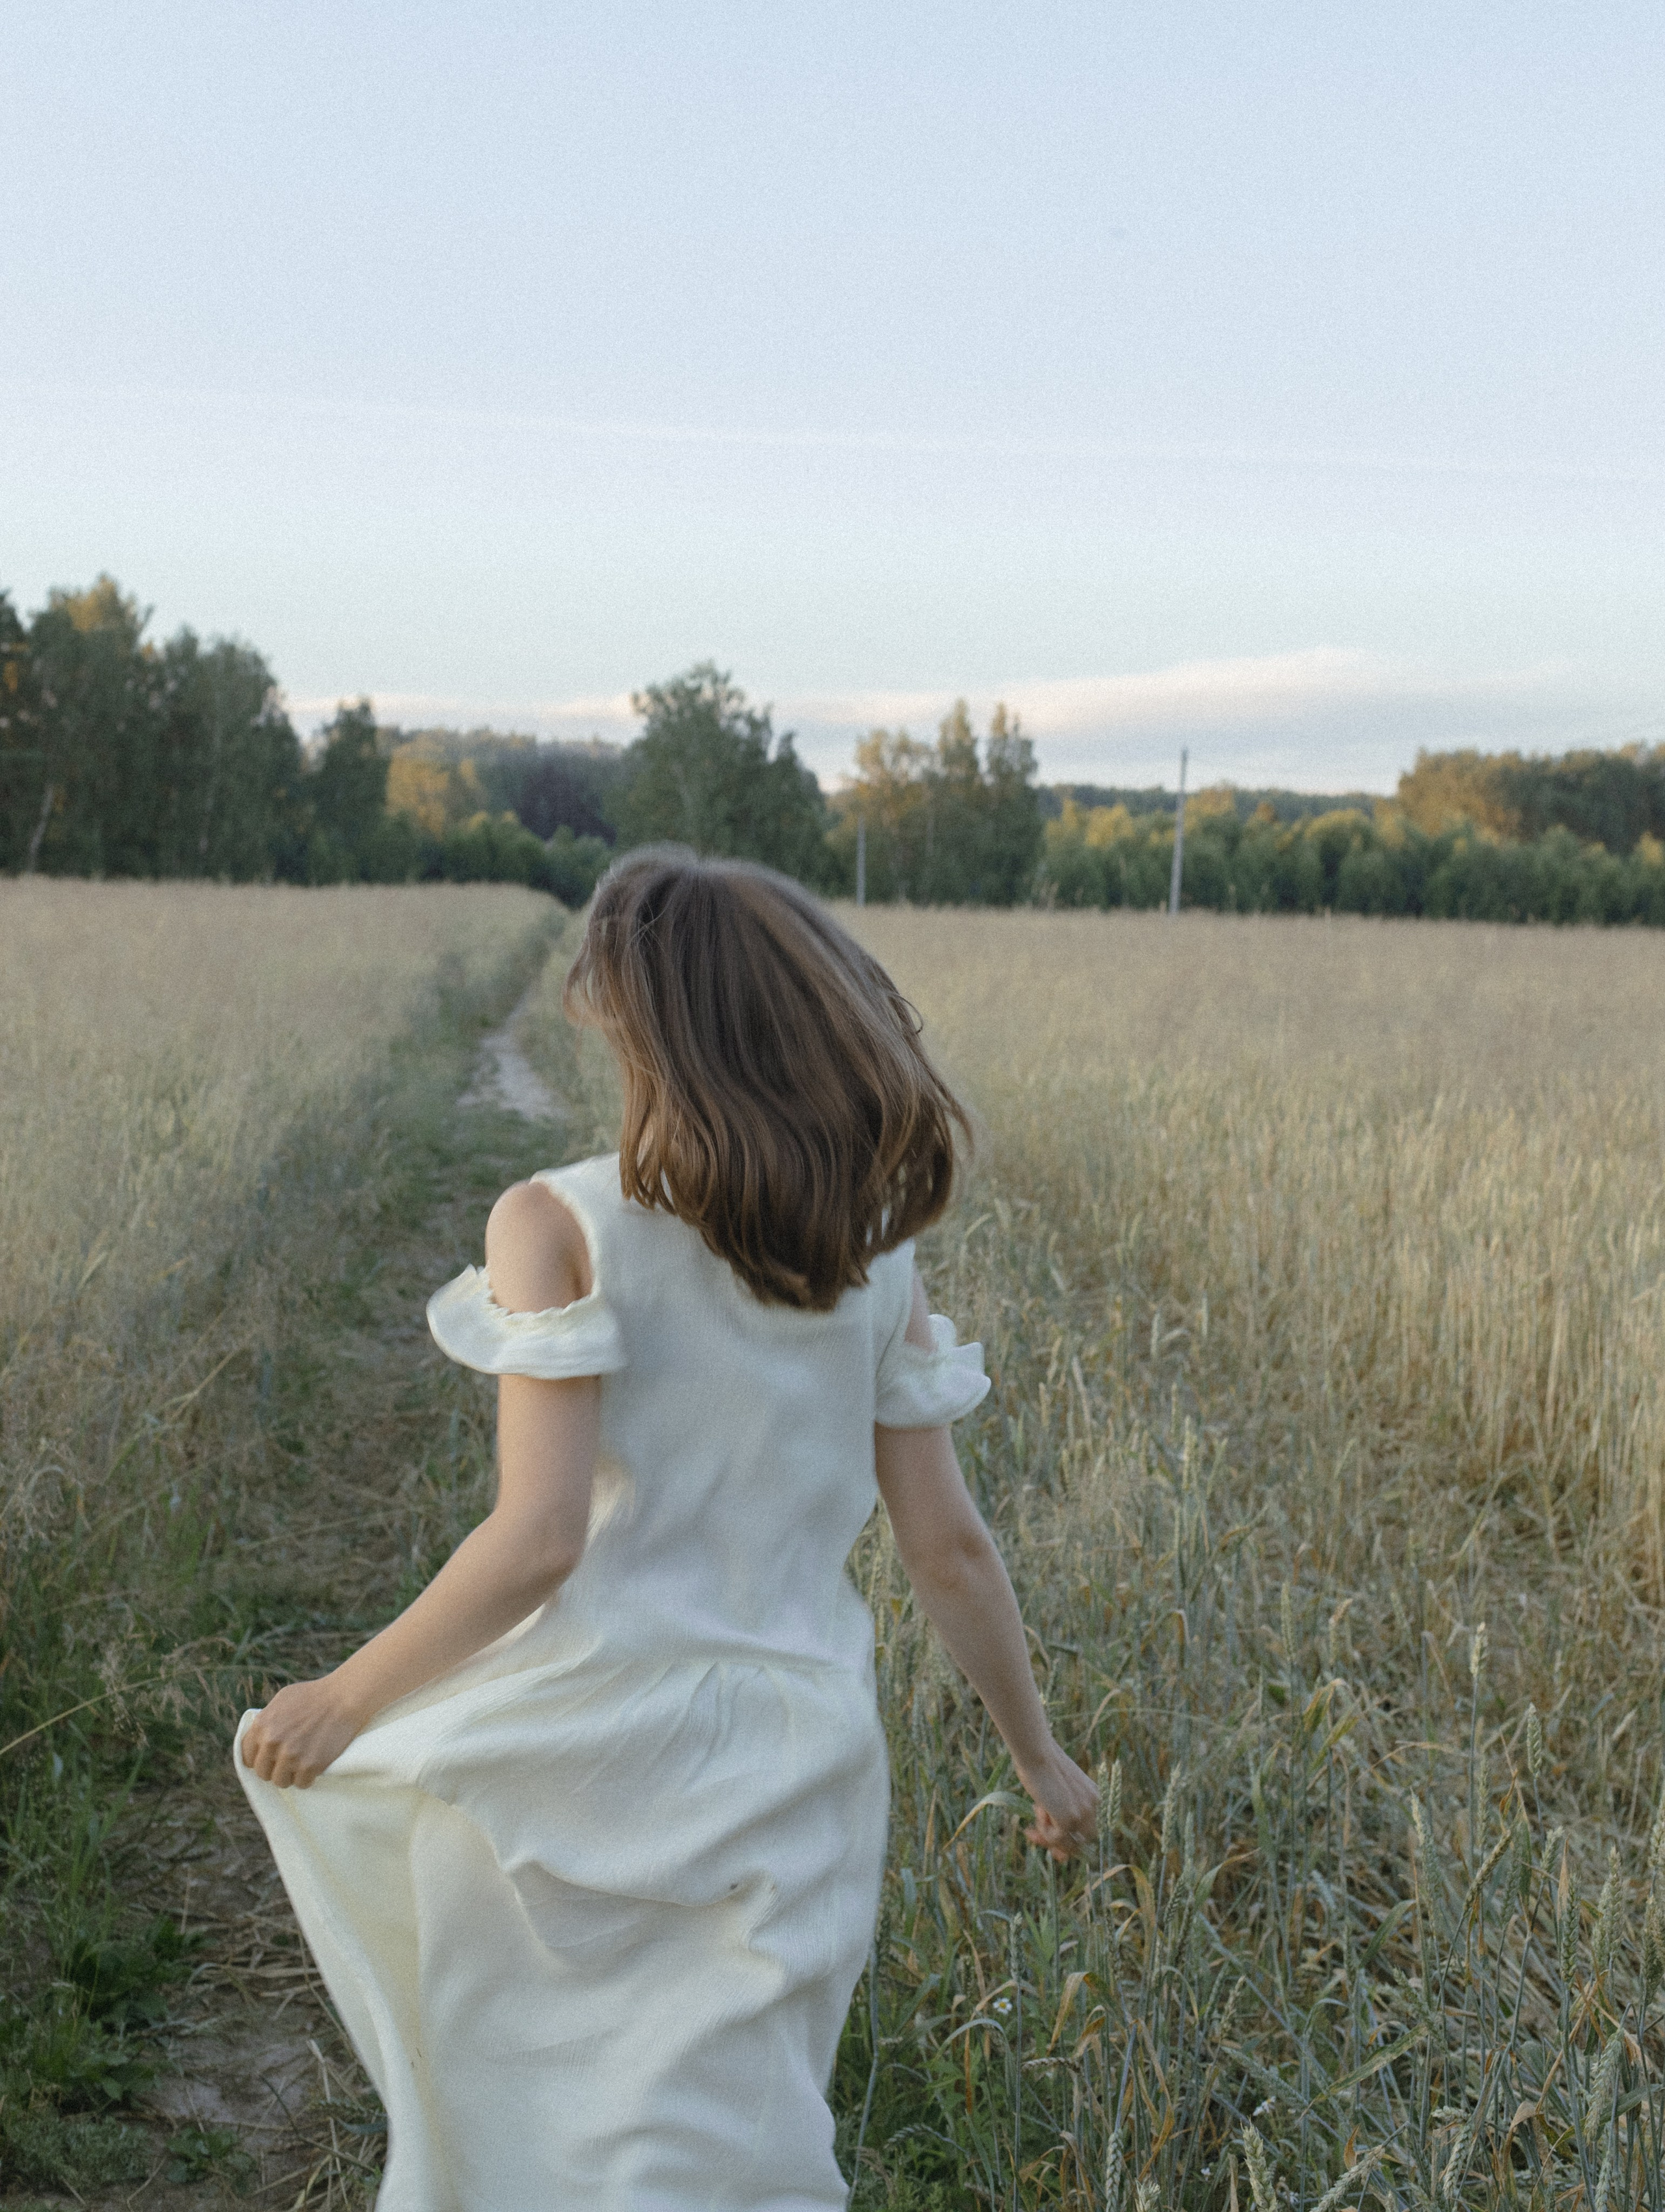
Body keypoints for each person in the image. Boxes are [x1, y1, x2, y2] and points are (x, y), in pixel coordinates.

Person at [236, 848, 1097, 2211]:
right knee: (739, 2148)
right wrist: (1037, 1757)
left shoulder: (556, 1222)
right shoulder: (872, 1250)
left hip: (591, 1736)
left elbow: (538, 1539)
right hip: (800, 1757)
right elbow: (949, 1549)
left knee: (546, 2115)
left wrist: (348, 1695)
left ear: (624, 1019)